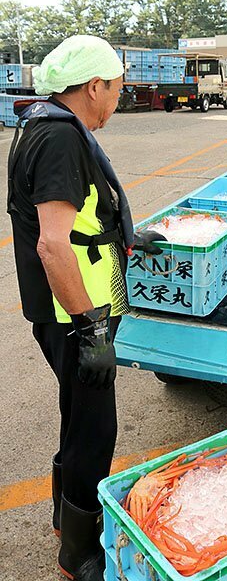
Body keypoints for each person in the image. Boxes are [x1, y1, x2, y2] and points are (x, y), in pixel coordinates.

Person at [7, 35, 163, 581]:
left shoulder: (46, 124)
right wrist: (93, 328)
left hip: (75, 310)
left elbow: (79, 217)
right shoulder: (59, 138)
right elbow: (53, 243)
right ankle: (79, 553)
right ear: (94, 86)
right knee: (96, 429)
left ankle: (62, 518)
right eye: (118, 87)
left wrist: (128, 235)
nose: (119, 98)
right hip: (75, 313)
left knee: (78, 416)